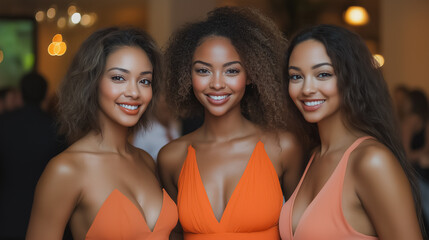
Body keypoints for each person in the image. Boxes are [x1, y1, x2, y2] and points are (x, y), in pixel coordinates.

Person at [158, 6, 303, 240]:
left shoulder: (282, 148)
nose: (216, 84)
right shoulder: (171, 157)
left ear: (252, 75)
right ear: (187, 75)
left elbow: (303, 230)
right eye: (204, 70)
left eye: (231, 71)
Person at [26, 27, 178, 240]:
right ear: (92, 83)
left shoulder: (145, 161)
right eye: (118, 78)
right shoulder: (66, 170)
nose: (134, 92)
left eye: (144, 81)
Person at [278, 24, 425, 240]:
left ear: (350, 78)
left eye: (323, 74)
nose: (307, 89)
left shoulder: (371, 161)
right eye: (296, 77)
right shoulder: (313, 156)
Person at [0, 72, 65, 239]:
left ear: (21, 94)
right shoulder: (56, 128)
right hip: (45, 208)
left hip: (7, 206)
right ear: (45, 94)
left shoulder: (4, 123)